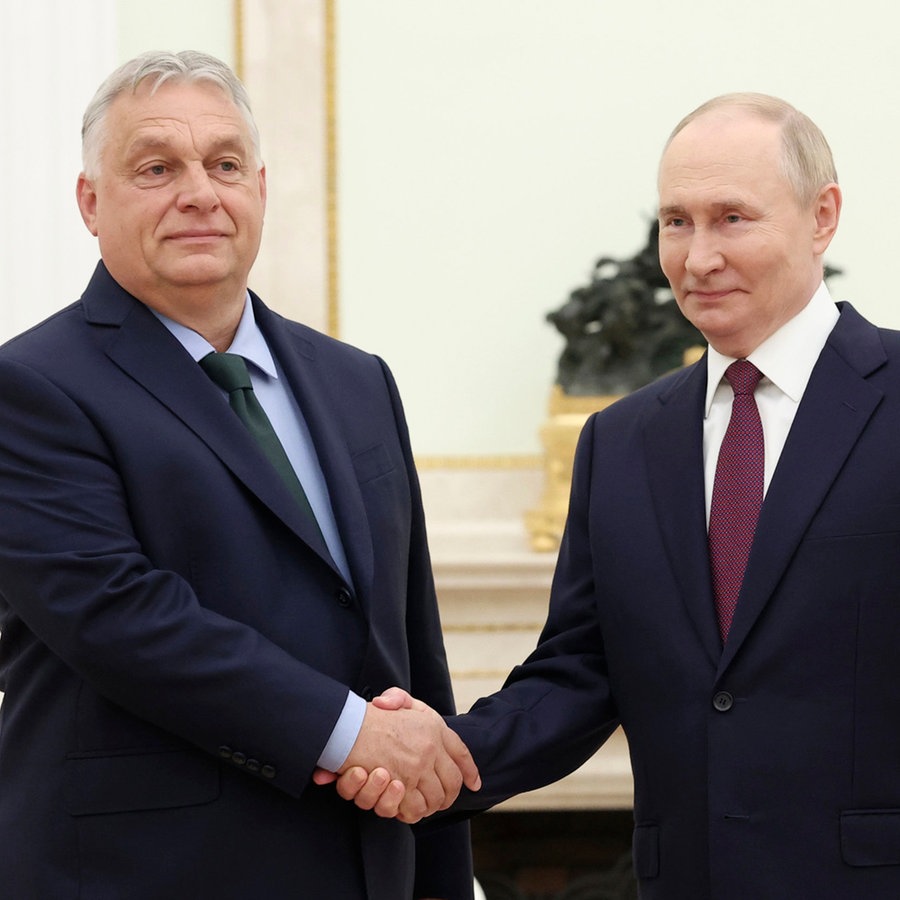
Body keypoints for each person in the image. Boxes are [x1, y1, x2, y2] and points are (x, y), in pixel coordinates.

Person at [328, 92, 900, 898]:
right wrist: (441, 759)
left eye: (732, 217)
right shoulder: (620, 443)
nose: (697, 258)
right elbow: (579, 672)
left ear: (823, 216)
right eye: (676, 221)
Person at [0, 50, 479, 900]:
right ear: (90, 202)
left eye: (224, 165)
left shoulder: (357, 380)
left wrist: (439, 857)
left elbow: (410, 645)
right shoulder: (31, 388)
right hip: (143, 874)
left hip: (365, 868)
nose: (198, 192)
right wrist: (352, 733)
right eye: (156, 167)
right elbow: (122, 617)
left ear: (258, 188)